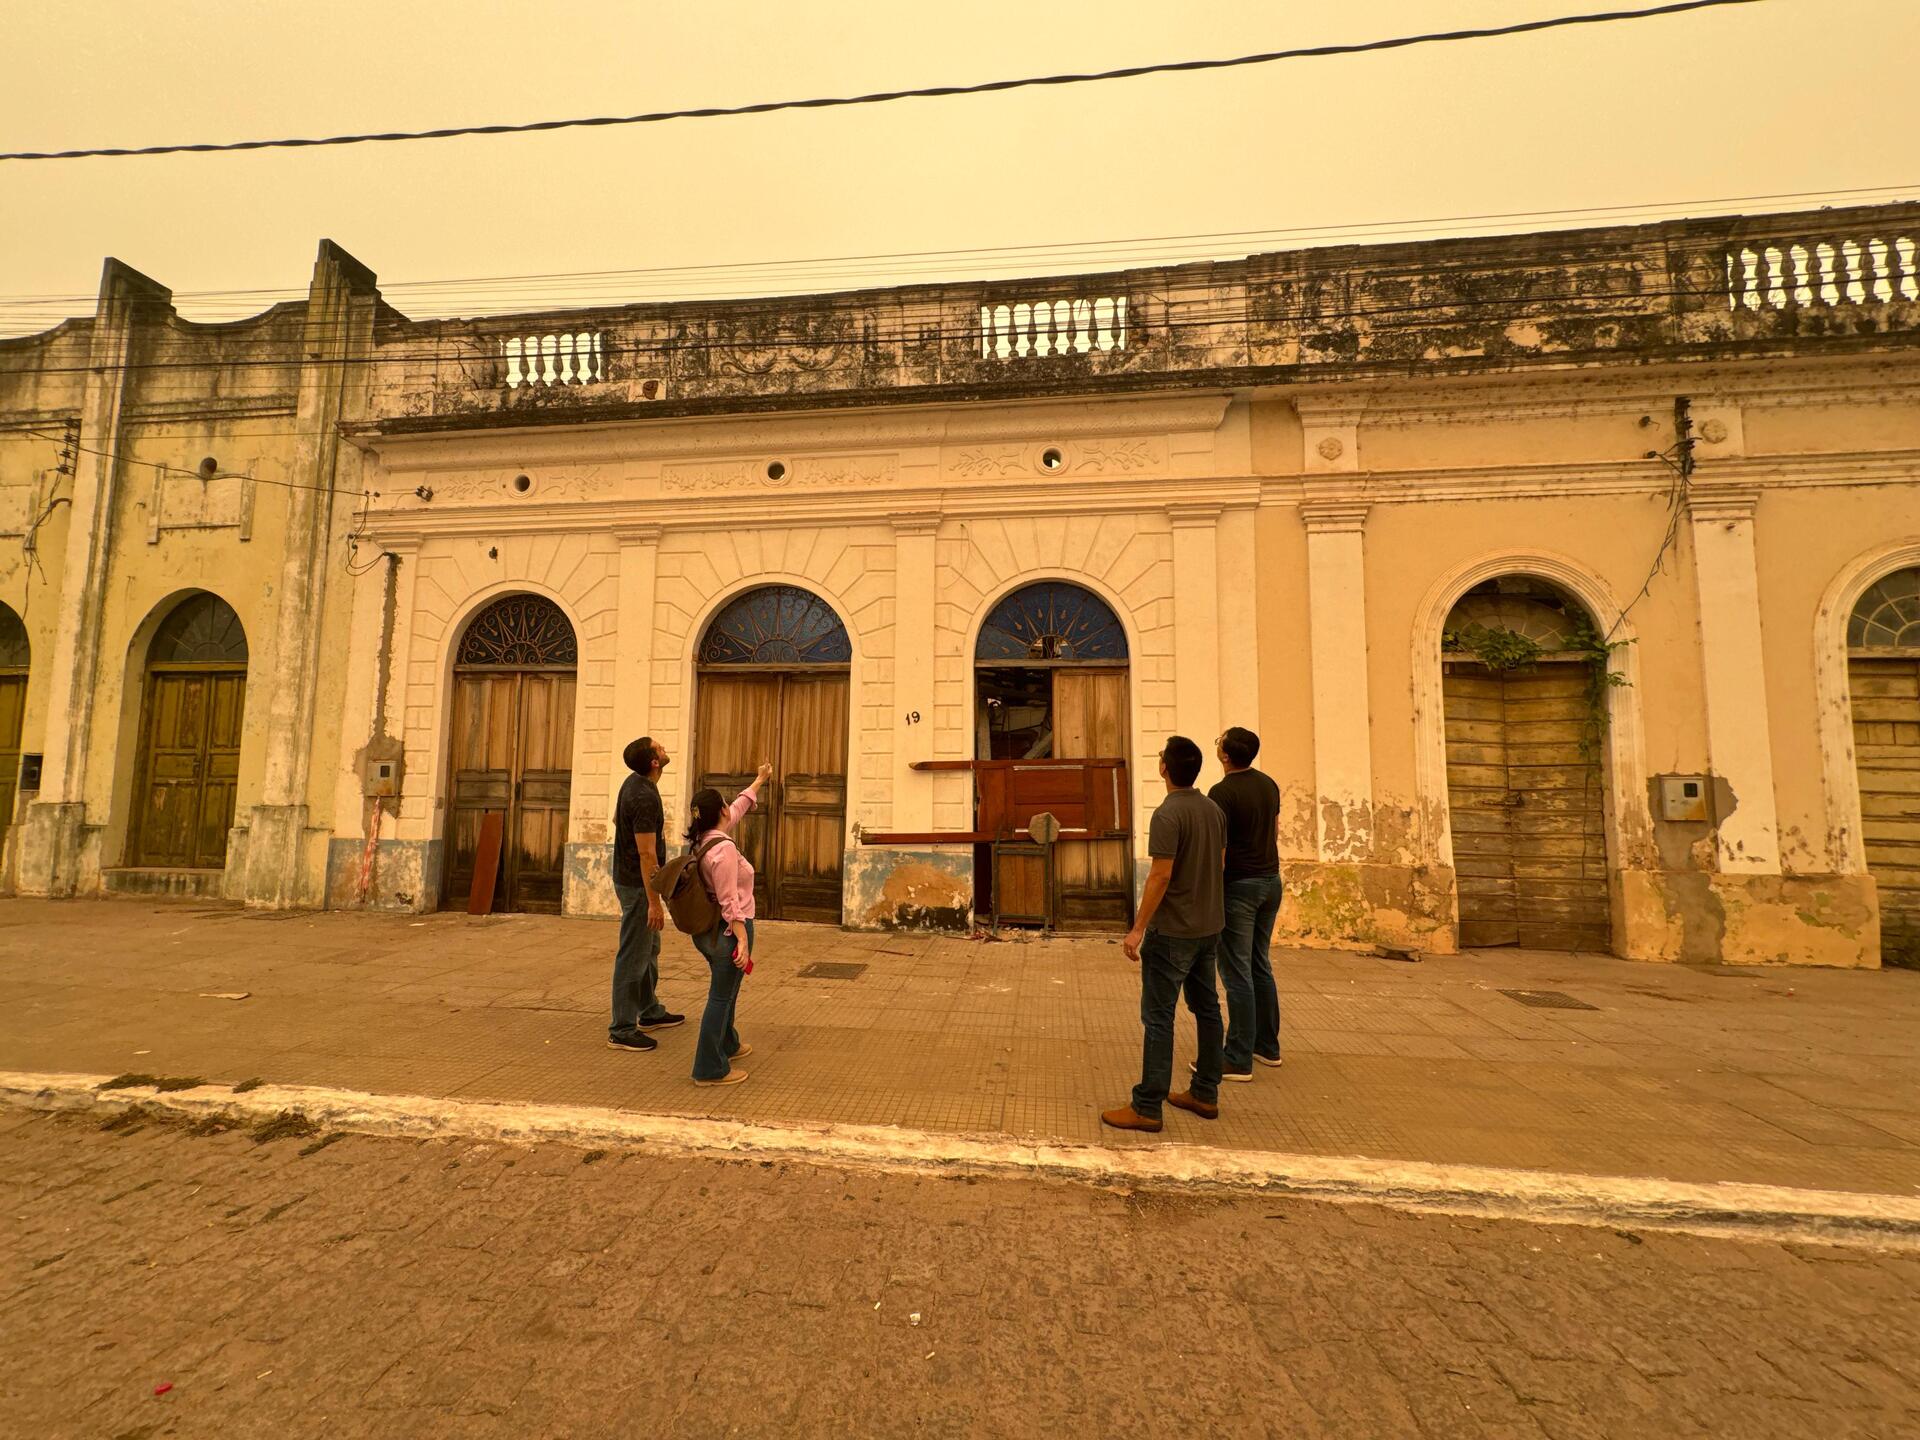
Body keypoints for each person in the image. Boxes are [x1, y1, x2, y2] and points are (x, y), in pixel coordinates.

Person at [1102, 735, 1227, 1134]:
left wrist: (1137, 928)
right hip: (1209, 927)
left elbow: (1160, 874)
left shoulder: (1167, 815)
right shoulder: (1213, 810)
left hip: (1173, 931)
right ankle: (1205, 1091)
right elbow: (1219, 863)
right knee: (1207, 1008)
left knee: (1159, 1017)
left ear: (1165, 769)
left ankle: (1147, 1106)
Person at [686, 761, 772, 1087]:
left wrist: (760, 779)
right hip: (728, 930)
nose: (730, 809)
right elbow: (729, 902)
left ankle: (728, 1043)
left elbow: (739, 807)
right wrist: (743, 941)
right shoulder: (723, 850)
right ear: (719, 811)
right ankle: (708, 1068)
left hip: (709, 932)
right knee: (720, 996)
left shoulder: (706, 838)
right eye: (726, 805)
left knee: (729, 990)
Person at [1208, 727, 1285, 1079]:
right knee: (1259, 964)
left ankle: (1237, 1057)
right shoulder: (1268, 784)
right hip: (1271, 881)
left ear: (1225, 755)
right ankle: (1266, 1047)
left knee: (1237, 971)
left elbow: (1220, 850)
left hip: (1239, 885)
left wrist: (1210, 890)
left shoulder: (1222, 793)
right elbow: (1274, 830)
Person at [607, 737, 683, 1051]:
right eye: (659, 747)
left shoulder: (635, 784)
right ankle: (622, 1029)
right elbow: (646, 854)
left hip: (634, 881)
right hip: (638, 886)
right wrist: (654, 901)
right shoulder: (643, 796)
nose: (664, 747)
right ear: (654, 761)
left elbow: (616, 821)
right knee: (633, 954)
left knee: (649, 947)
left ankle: (649, 1011)